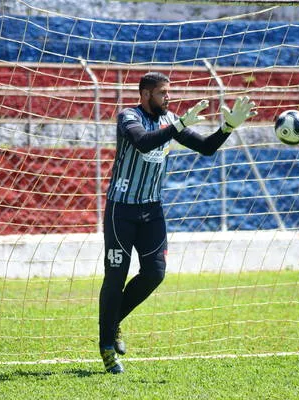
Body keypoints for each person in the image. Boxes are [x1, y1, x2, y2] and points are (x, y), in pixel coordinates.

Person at [99, 71, 257, 374]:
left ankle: (112, 320)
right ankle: (106, 346)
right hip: (121, 210)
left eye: (168, 93)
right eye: (162, 93)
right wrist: (179, 124)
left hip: (151, 211)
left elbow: (207, 147)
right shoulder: (128, 116)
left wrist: (228, 127)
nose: (167, 98)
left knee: (155, 273)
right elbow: (143, 143)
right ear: (145, 94)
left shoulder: (169, 119)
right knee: (115, 277)